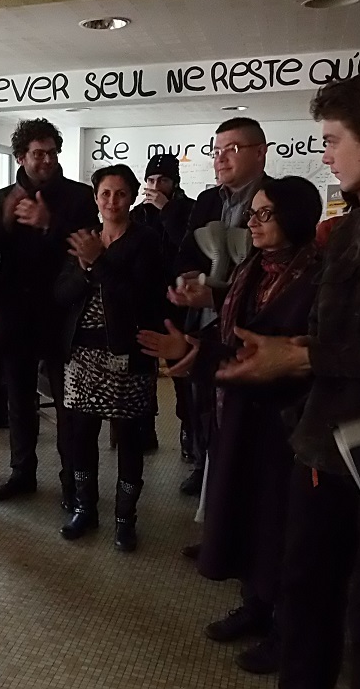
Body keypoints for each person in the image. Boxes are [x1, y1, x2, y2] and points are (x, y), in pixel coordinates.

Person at [215, 68, 360, 689]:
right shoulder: (355, 223)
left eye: (332, 140)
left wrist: (303, 358)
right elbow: (332, 328)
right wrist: (286, 350)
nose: (325, 155)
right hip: (323, 440)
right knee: (305, 593)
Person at [140, 177, 323, 675]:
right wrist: (192, 347)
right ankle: (254, 606)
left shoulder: (318, 277)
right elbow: (237, 343)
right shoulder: (250, 269)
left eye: (265, 214)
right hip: (241, 412)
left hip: (288, 424)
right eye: (252, 213)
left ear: (294, 217)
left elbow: (290, 355)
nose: (252, 223)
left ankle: (285, 631)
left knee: (282, 525)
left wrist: (198, 353)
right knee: (246, 510)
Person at [0, 118, 98, 505]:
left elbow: (88, 246)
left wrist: (50, 224)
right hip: (15, 312)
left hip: (63, 312)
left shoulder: (80, 197)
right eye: (38, 154)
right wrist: (5, 221)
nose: (46, 160)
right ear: (20, 157)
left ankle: (72, 482)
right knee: (19, 401)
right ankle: (22, 474)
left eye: (51, 153)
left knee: (67, 403)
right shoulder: (1, 198)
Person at [53, 165, 167, 549]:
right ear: (95, 197)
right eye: (105, 193)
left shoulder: (146, 240)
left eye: (120, 193)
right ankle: (85, 509)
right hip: (82, 356)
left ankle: (124, 519)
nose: (112, 201)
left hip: (127, 354)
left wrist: (98, 262)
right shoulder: (84, 239)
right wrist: (85, 266)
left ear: (132, 197)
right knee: (81, 437)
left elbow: (140, 297)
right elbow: (61, 295)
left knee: (130, 439)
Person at [174, 118, 268, 497]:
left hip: (251, 323)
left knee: (242, 404)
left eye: (232, 149)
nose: (221, 158)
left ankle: (236, 478)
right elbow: (186, 251)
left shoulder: (274, 199)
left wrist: (219, 293)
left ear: (260, 153)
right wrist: (188, 278)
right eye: (216, 151)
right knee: (199, 399)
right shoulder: (208, 201)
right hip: (203, 318)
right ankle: (202, 466)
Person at [129, 153, 195, 458]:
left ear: (174, 183)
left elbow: (190, 249)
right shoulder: (137, 214)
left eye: (163, 180)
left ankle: (189, 431)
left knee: (181, 370)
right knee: (143, 370)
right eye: (151, 180)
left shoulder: (189, 210)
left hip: (179, 303)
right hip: (144, 301)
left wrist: (167, 211)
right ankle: (145, 429)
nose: (156, 186)